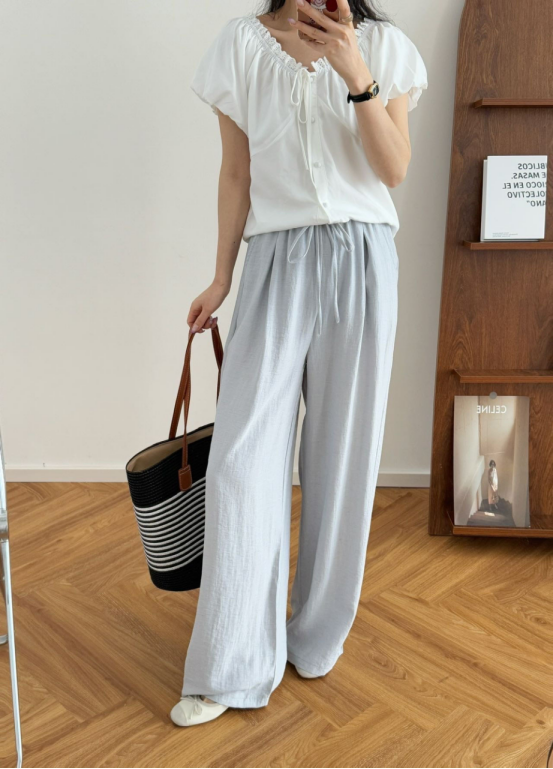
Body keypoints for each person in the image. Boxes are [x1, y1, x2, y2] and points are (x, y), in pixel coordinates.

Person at [170, 0, 428, 727]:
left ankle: (315, 634)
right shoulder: (241, 45)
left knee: (341, 457)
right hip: (275, 260)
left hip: (362, 260)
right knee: (240, 463)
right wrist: (221, 277)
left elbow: (393, 169)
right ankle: (231, 662)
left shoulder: (384, 46)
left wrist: (354, 69)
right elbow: (236, 173)